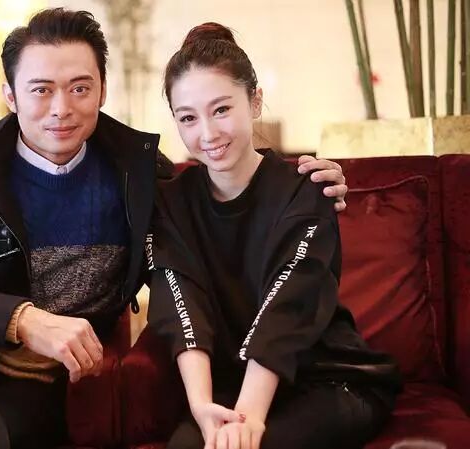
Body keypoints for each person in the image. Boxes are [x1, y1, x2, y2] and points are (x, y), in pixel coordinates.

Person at [0, 9, 348, 449]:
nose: (61, 108)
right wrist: (24, 320)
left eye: (80, 88)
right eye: (41, 90)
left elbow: (222, 193)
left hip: (41, 391)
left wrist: (311, 182)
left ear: (102, 91)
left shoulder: (139, 177)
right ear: (10, 96)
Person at [146, 23, 401, 449]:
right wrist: (202, 405)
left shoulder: (307, 188)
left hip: (329, 379)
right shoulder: (170, 202)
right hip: (232, 384)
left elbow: (289, 304)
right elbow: (181, 303)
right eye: (188, 117)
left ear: (255, 101)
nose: (207, 134)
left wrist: (249, 418)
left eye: (221, 110)